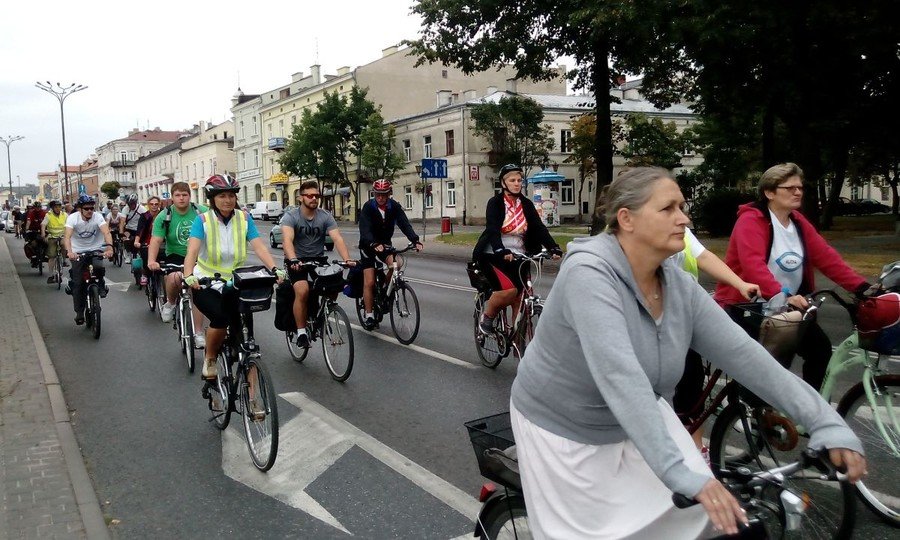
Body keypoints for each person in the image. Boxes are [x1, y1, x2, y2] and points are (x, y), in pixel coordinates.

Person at [509, 166, 866, 539]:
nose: (684, 217)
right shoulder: (589, 274)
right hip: (566, 431)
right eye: (668, 209)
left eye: (682, 206)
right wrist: (679, 475)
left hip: (640, 414)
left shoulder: (676, 283)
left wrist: (827, 423)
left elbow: (747, 357)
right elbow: (620, 377)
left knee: (710, 522)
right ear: (627, 219)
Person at [714, 162, 871, 390]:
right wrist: (782, 294)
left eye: (799, 187)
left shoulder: (797, 222)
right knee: (765, 365)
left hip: (787, 309)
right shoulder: (751, 220)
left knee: (820, 350)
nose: (797, 192)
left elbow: (826, 258)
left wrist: (862, 287)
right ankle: (748, 414)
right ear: (769, 192)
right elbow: (752, 265)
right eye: (789, 188)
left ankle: (808, 412)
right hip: (749, 307)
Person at [183, 174, 284, 380]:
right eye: (222, 196)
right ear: (213, 198)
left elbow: (258, 246)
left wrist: (275, 269)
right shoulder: (202, 220)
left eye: (231, 195)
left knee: (248, 341)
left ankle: (255, 403)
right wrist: (189, 276)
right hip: (207, 283)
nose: (227, 200)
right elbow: (192, 252)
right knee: (220, 318)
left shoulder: (244, 218)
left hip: (237, 282)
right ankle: (210, 358)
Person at [472, 164, 562, 335]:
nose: (516, 183)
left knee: (520, 298)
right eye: (512, 180)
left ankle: (517, 340)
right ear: (503, 183)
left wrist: (553, 247)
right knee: (510, 291)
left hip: (520, 255)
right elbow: (492, 229)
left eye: (519, 180)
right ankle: (488, 317)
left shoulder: (526, 204)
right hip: (494, 254)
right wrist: (501, 250)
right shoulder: (495, 203)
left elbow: (538, 227)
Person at [281, 180, 356, 348]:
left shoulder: (325, 216)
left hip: (318, 259)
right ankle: (301, 332)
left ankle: (322, 315)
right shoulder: (291, 216)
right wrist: (293, 259)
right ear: (301, 198)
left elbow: (337, 238)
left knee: (334, 286)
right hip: (297, 260)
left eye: (317, 195)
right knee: (303, 290)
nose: (314, 198)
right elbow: (287, 240)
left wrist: (348, 259)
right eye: (309, 196)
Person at [358, 179, 423, 330]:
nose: (380, 198)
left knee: (397, 264)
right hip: (368, 245)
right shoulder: (368, 207)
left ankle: (386, 287)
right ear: (374, 194)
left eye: (384, 195)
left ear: (389, 194)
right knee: (369, 282)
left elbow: (404, 224)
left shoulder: (394, 207)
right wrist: (373, 243)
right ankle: (369, 315)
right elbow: (365, 229)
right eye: (377, 194)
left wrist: (415, 240)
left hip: (385, 244)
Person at [147, 182, 207, 347]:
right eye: (178, 195)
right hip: (176, 255)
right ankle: (171, 303)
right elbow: (156, 240)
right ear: (172, 198)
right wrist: (151, 260)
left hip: (198, 256)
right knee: (174, 278)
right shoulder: (164, 215)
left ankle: (199, 332)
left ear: (189, 196)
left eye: (184, 195)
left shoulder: (201, 212)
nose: (181, 198)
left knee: (198, 293)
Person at [63, 195, 113, 325]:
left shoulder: (97, 217)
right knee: (79, 282)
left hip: (95, 248)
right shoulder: (72, 218)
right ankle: (79, 312)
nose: (90, 211)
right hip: (77, 251)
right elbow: (67, 237)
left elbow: (106, 233)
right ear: (80, 209)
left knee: (99, 269)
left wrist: (109, 249)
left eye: (92, 208)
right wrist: (70, 252)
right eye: (86, 208)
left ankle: (100, 285)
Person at [133, 196, 162, 286]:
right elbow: (140, 230)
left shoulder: (163, 215)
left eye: (156, 204)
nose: (154, 206)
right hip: (147, 241)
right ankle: (145, 273)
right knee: (146, 255)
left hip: (161, 241)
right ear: (148, 205)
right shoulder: (144, 216)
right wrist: (137, 241)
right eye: (151, 204)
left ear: (159, 205)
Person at [40, 200, 68, 282]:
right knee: (51, 256)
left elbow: (69, 224)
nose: (58, 208)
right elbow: (43, 224)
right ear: (52, 208)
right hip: (52, 236)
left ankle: (64, 260)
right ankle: (51, 275)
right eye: (56, 207)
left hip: (62, 236)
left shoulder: (64, 215)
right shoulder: (48, 215)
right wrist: (43, 234)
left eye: (59, 206)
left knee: (63, 244)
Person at [122, 193, 146, 263]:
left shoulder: (142, 209)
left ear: (135, 203)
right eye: (129, 204)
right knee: (126, 239)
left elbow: (148, 219)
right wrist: (121, 232)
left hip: (139, 229)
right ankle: (128, 254)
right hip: (129, 228)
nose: (130, 206)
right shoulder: (125, 209)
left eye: (132, 204)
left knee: (142, 244)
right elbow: (122, 221)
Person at [23, 201, 47, 265]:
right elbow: (29, 221)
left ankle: (44, 254)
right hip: (33, 230)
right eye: (36, 207)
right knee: (32, 243)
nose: (37, 208)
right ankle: (34, 255)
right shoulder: (31, 213)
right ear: (34, 207)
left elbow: (48, 220)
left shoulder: (44, 213)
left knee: (46, 241)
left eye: (39, 207)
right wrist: (27, 229)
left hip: (43, 230)